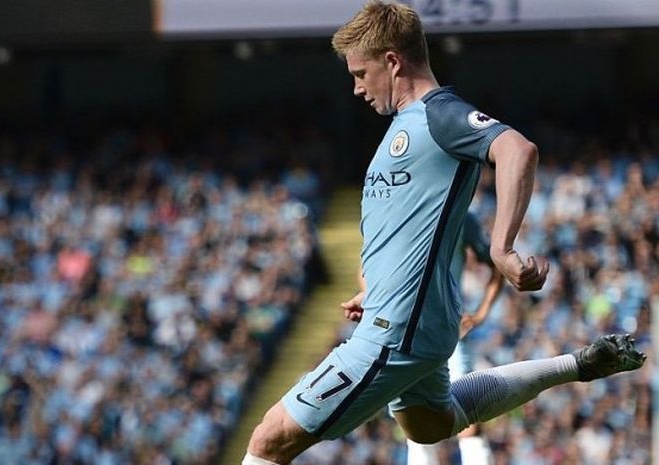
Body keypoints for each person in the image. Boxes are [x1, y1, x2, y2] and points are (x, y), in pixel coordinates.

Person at [241, 2, 646, 464]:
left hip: (395, 332)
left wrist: (502, 247)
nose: (355, 88)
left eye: (360, 73)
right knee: (431, 424)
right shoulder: (406, 127)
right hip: (413, 323)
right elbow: (405, 226)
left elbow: (517, 150)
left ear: (392, 62)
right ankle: (577, 364)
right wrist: (376, 287)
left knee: (268, 441)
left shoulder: (439, 113)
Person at [405, 212, 504, 465]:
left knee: (466, 415)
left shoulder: (460, 216)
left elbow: (498, 262)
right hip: (407, 334)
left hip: (450, 335)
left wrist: (481, 313)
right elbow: (364, 268)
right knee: (415, 421)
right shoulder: (400, 208)